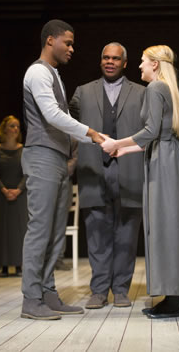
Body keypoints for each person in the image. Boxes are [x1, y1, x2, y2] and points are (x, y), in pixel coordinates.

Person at [101, 45, 179, 319]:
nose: (139, 66)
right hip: (166, 157)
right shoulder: (166, 87)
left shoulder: (155, 89)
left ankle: (174, 301)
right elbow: (157, 134)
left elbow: (151, 131)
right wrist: (124, 149)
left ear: (154, 64)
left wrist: (118, 142)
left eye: (142, 62)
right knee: (167, 227)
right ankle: (171, 296)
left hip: (163, 163)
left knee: (165, 228)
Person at [21, 19, 103, 320]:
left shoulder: (54, 74)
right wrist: (92, 132)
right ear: (49, 41)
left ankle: (47, 292)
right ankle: (31, 299)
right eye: (67, 42)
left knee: (55, 232)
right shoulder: (38, 72)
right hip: (41, 155)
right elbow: (53, 115)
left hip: (57, 158)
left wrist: (98, 139)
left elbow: (65, 120)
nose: (72, 48)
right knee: (40, 229)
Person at [69, 42, 145, 309]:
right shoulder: (83, 92)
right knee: (97, 231)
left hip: (130, 168)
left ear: (125, 63)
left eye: (115, 58)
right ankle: (99, 290)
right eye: (105, 57)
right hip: (93, 168)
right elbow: (70, 128)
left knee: (126, 233)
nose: (110, 62)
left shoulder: (142, 92)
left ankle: (121, 289)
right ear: (100, 60)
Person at [0, 115, 28, 278]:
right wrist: (4, 189)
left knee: (20, 230)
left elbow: (28, 172)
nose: (15, 129)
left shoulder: (23, 149)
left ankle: (19, 265)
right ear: (4, 128)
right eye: (12, 126)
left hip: (20, 195)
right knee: (3, 229)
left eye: (17, 126)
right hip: (2, 195)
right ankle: (3, 266)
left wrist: (18, 190)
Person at [55, 138, 78, 271]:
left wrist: (61, 170)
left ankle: (58, 258)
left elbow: (75, 157)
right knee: (44, 219)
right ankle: (44, 258)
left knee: (60, 220)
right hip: (47, 177)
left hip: (64, 179)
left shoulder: (71, 135)